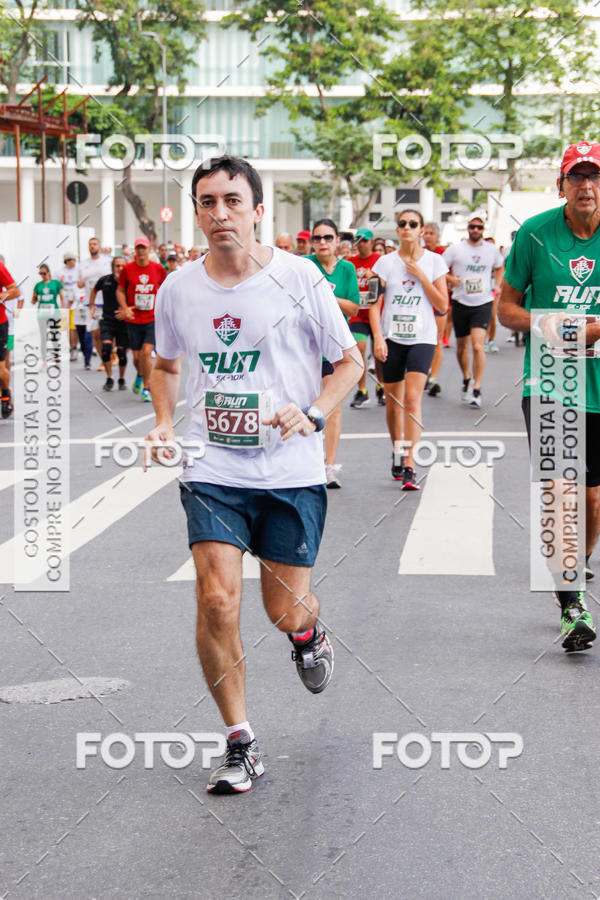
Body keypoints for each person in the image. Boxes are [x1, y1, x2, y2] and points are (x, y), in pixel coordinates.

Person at [146, 155, 361, 793]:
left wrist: (315, 413)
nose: (219, 214)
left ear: (258, 210)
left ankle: (307, 633)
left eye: (232, 201)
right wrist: (163, 423)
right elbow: (164, 365)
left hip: (290, 469)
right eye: (207, 202)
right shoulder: (179, 287)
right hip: (210, 465)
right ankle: (240, 741)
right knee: (216, 597)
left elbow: (349, 364)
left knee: (283, 607)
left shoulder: (300, 278)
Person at [498, 140, 600, 651]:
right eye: (576, 177)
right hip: (551, 383)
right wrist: (551, 325)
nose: (586, 186)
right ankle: (571, 604)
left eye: (594, 177)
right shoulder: (536, 235)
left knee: (592, 499)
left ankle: (575, 567)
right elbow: (506, 309)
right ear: (561, 185)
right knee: (562, 495)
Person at [370, 210, 448, 489]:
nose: (407, 228)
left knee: (413, 398)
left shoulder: (435, 261)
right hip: (392, 339)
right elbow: (373, 305)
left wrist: (422, 277)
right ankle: (398, 450)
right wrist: (378, 338)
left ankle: (410, 465)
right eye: (402, 224)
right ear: (397, 229)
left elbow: (442, 305)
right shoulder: (384, 263)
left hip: (422, 338)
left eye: (412, 224)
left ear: (421, 230)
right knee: (393, 404)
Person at [308, 218, 360, 488]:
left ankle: (328, 466)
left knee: (332, 406)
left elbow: (353, 308)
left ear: (338, 241)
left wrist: (325, 295)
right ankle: (305, 460)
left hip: (334, 347)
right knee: (302, 402)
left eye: (328, 238)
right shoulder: (304, 265)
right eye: (317, 238)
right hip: (305, 347)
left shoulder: (347, 269)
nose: (322, 243)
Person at [443, 217, 504, 407]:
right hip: (461, 301)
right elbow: (440, 270)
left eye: (479, 227)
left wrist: (498, 285)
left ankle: (477, 388)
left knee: (478, 346)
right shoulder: (456, 249)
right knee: (462, 347)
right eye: (472, 226)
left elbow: (500, 266)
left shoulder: (491, 250)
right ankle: (467, 378)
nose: (476, 229)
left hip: (483, 301)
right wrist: (451, 280)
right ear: (467, 229)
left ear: (483, 230)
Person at [117, 236, 166, 402]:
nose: (141, 251)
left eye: (143, 248)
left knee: (146, 354)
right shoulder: (127, 269)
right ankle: (140, 374)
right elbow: (120, 290)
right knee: (137, 358)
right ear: (134, 251)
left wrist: (164, 310)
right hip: (133, 319)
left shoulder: (158, 269)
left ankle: (147, 388)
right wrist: (124, 308)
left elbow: (165, 291)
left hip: (152, 318)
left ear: (149, 249)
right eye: (138, 248)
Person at [347, 227, 385, 407]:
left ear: (371, 242)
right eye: (358, 240)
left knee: (378, 353)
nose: (361, 244)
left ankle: (382, 386)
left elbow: (387, 285)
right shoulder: (350, 262)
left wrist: (375, 278)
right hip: (358, 315)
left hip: (376, 314)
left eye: (365, 240)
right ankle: (362, 390)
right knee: (359, 348)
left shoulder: (379, 261)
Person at [91, 256, 128, 391]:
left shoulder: (128, 281)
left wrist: (127, 311)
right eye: (117, 266)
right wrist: (92, 306)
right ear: (112, 267)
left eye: (122, 265)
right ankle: (109, 377)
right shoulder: (105, 280)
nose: (120, 268)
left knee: (121, 352)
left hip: (123, 322)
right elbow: (94, 290)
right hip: (107, 319)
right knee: (106, 349)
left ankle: (122, 378)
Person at [421, 223, 447, 396]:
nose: (429, 236)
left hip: (439, 303)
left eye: (432, 233)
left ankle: (433, 378)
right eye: (426, 233)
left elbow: (452, 274)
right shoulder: (419, 254)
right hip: (421, 304)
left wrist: (448, 279)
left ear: (437, 236)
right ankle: (422, 372)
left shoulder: (443, 254)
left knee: (437, 340)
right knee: (422, 340)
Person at [79, 236, 111, 366]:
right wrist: (80, 284)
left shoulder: (107, 262)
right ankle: (103, 359)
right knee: (95, 334)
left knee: (107, 334)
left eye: (95, 244)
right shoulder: (83, 264)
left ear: (99, 246)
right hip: (91, 304)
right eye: (90, 244)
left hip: (106, 303)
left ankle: (110, 353)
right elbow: (80, 282)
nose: (92, 246)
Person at [31, 265, 65, 367]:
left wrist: (63, 310)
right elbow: (34, 299)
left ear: (48, 272)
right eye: (40, 274)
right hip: (42, 314)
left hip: (53, 313)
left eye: (44, 273)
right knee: (43, 336)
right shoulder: (38, 285)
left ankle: (56, 356)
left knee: (54, 334)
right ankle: (44, 359)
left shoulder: (55, 283)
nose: (42, 276)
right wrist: (34, 299)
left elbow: (62, 297)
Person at [0, 258, 20, 418]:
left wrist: (2, 295)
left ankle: (6, 394)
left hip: (0, 324)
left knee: (1, 371)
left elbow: (15, 291)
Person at [58, 252, 81, 362]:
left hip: (76, 303)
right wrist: (60, 282)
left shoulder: (78, 270)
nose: (73, 262)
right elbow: (56, 286)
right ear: (66, 261)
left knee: (73, 327)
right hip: (64, 303)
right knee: (66, 327)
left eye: (74, 260)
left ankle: (74, 347)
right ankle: (71, 347)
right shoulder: (60, 272)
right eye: (70, 260)